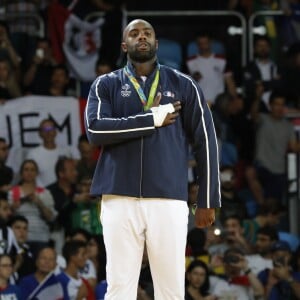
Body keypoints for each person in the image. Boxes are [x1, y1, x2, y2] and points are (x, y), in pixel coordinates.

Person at [84, 19, 220, 299]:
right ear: (125, 45)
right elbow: (96, 130)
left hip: (168, 197)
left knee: (171, 289)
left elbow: (206, 142)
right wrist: (151, 120)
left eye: (147, 33)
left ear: (156, 43)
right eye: (134, 34)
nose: (141, 37)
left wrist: (206, 199)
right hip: (118, 196)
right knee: (120, 287)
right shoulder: (105, 85)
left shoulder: (184, 84)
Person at [7, 159, 57, 257]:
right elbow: (8, 215)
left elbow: (51, 217)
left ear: (37, 173)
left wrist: (39, 203)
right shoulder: (13, 192)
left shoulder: (45, 193)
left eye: (32, 170)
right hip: (19, 239)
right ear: (21, 173)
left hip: (41, 237)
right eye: (26, 170)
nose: (29, 173)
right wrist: (22, 201)